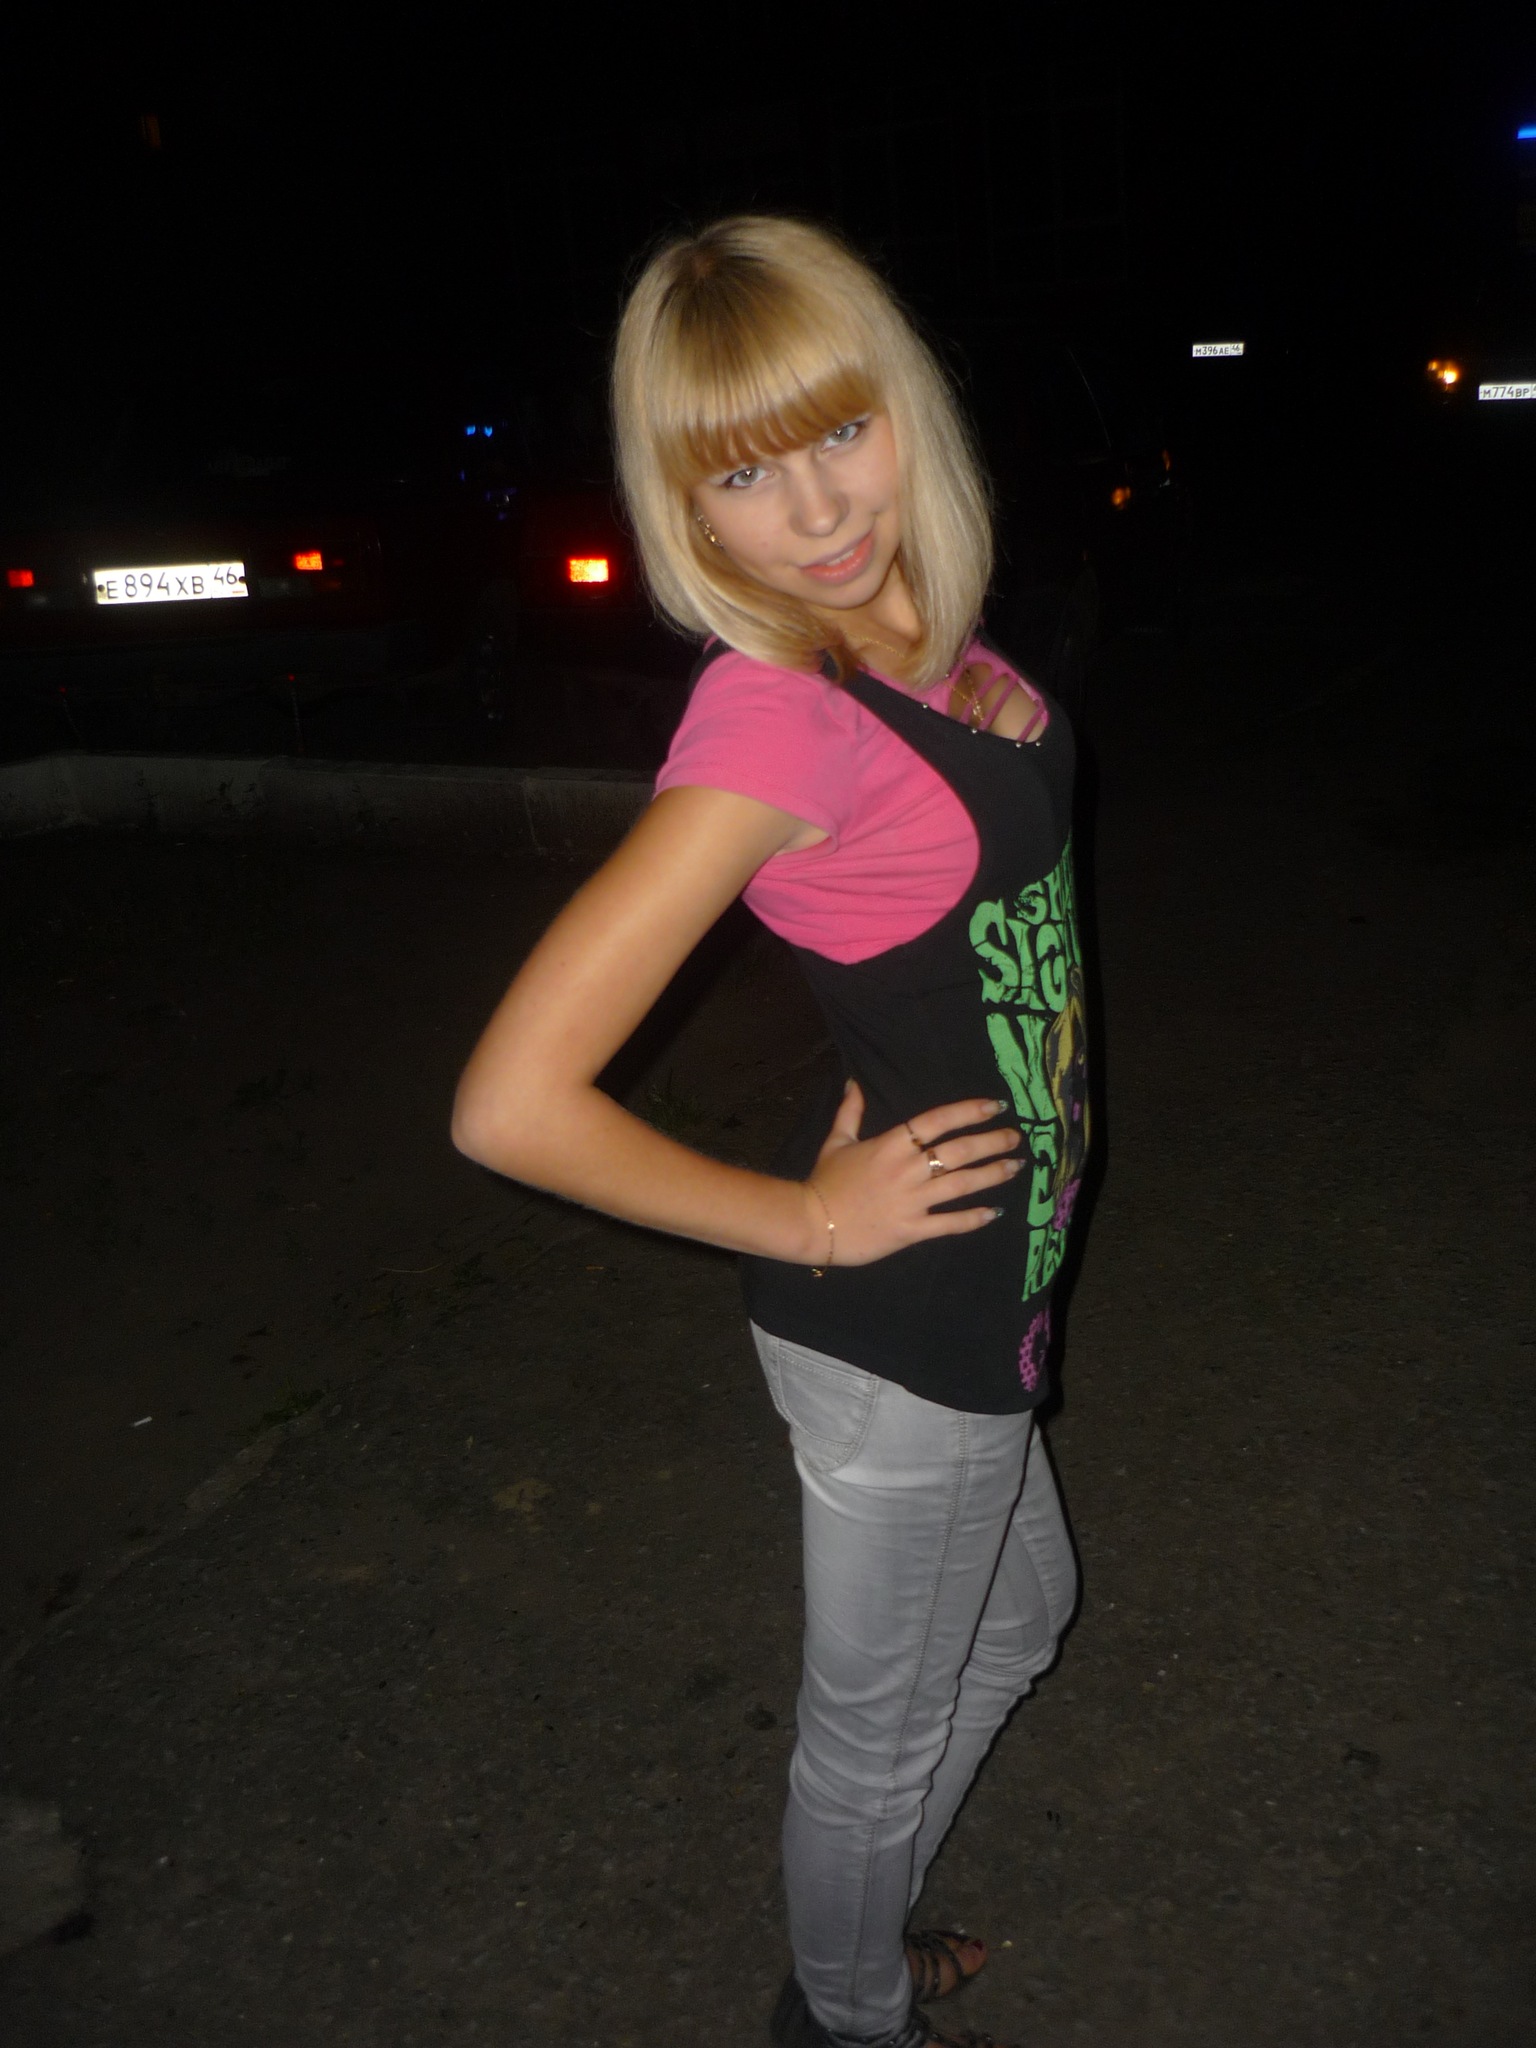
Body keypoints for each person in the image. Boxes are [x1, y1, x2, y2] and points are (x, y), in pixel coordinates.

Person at [453, 215, 1085, 2048]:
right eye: (744, 474)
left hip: (994, 1284)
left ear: (904, 411)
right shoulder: (776, 721)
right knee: (871, 1747)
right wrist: (806, 1219)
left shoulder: (902, 626)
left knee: (1021, 1626)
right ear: (689, 511)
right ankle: (848, 2012)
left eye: (841, 433)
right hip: (905, 1328)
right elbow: (509, 1104)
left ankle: (848, 1957)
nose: (816, 509)